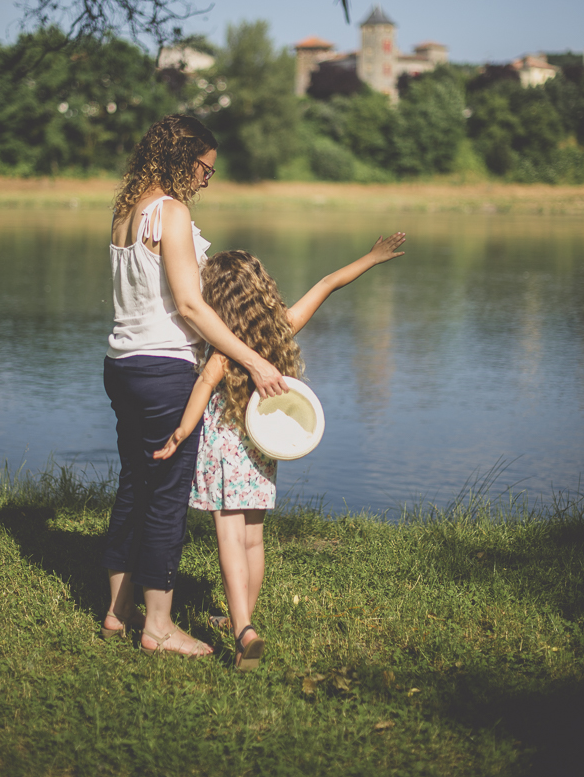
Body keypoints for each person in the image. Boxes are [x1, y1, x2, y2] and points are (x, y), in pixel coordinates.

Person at [154, 232, 406, 669]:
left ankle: (242, 629)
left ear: (218, 301)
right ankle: (243, 617)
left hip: (224, 449)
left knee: (229, 536)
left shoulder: (224, 349)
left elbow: (200, 389)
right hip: (262, 448)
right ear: (262, 292)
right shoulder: (281, 329)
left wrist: (179, 434)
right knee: (253, 538)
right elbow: (327, 283)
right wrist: (371, 256)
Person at [101, 115, 288, 658]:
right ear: (183, 159)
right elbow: (189, 305)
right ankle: (158, 627)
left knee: (135, 484)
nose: (206, 180)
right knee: (164, 499)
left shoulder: (125, 213)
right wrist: (252, 359)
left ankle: (118, 610)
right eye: (204, 168)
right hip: (164, 371)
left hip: (121, 366)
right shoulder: (172, 212)